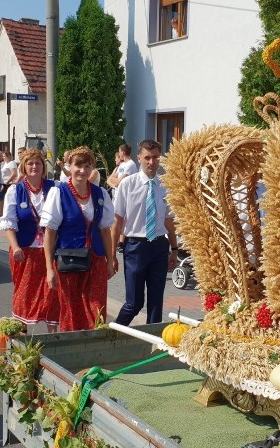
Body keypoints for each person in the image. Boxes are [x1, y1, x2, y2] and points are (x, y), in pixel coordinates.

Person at [41, 146, 116, 331]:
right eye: (78, 166)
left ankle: (92, 352)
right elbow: (49, 234)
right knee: (71, 309)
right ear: (69, 166)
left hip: (96, 260)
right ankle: (71, 353)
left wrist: (110, 259)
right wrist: (49, 269)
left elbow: (105, 230)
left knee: (97, 310)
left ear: (92, 169)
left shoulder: (100, 194)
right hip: (69, 260)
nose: (82, 171)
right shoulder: (58, 193)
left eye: (87, 166)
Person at [112, 140, 178, 325]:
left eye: (155, 157)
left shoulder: (165, 186)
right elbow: (117, 222)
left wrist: (174, 249)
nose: (151, 162)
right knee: (134, 303)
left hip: (158, 246)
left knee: (156, 302)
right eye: (147, 158)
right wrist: (111, 255)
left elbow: (168, 220)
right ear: (139, 158)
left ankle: (151, 343)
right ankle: (114, 334)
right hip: (135, 246)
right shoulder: (127, 185)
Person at [0, 149, 59, 332]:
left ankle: (53, 338)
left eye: (38, 163)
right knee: (24, 295)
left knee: (52, 293)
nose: (34, 166)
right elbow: (8, 222)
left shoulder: (55, 187)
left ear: (43, 166)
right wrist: (15, 246)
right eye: (30, 163)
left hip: (50, 251)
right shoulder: (15, 191)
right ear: (24, 166)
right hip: (24, 251)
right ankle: (21, 338)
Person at [106, 143, 138, 252]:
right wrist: (114, 182)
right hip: (116, 195)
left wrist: (114, 182)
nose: (119, 154)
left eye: (119, 152)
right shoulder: (122, 165)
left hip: (125, 196)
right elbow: (110, 180)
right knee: (114, 219)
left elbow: (119, 182)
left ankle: (121, 242)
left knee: (121, 220)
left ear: (123, 152)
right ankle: (115, 243)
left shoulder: (131, 165)